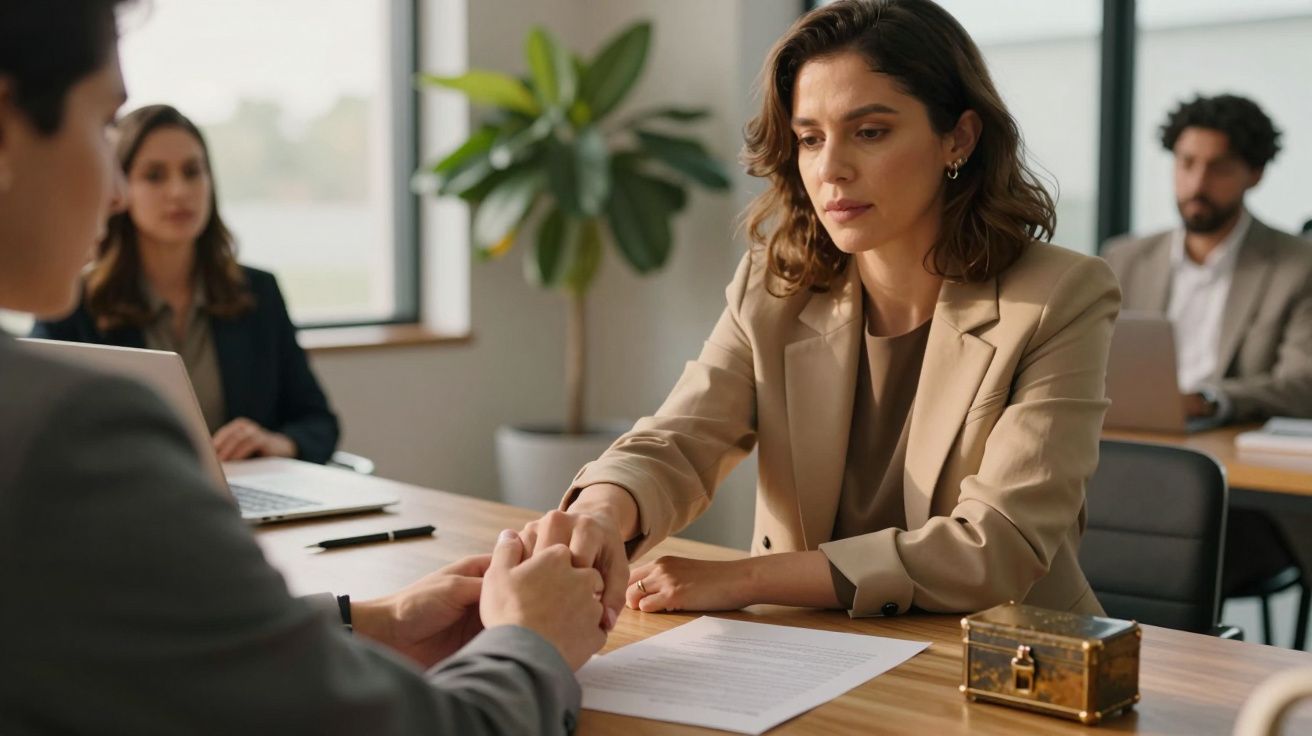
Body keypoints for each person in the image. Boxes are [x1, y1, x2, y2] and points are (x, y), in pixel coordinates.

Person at [0, 2, 604, 733]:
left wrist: (379, 619)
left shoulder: (250, 293)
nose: (126, 192)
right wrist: (530, 640)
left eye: (189, 171)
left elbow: (144, 646)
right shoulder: (65, 429)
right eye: (104, 124)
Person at [518, 0, 1121, 623]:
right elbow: (680, 439)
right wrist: (599, 508)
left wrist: (746, 578)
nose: (830, 169)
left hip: (1003, 653)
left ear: (958, 138)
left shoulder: (1061, 296)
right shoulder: (775, 284)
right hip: (812, 649)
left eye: (870, 132)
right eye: (809, 138)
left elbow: (996, 548)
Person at [31, 104, 340, 464]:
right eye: (154, 176)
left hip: (244, 501)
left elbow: (318, 422)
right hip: (126, 507)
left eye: (193, 172)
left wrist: (277, 443)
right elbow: (40, 436)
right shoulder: (73, 302)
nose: (179, 191)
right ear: (119, 187)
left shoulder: (257, 292)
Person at [1103, 93, 1312, 425]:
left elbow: (1302, 385)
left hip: (1230, 440)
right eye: (1186, 163)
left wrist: (1208, 401)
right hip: (1130, 433)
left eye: (1220, 168)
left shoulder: (1299, 266)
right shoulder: (1123, 259)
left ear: (1255, 174)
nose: (1198, 184)